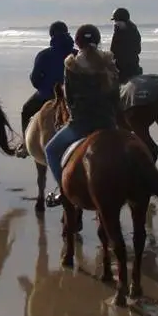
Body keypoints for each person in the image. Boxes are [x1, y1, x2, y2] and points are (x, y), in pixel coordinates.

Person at [44, 23, 121, 207]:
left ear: (77, 43)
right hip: (108, 123)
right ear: (98, 40)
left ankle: (63, 191)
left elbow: (69, 100)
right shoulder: (109, 62)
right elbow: (116, 96)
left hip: (81, 124)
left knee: (51, 150)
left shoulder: (72, 64)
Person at [20, 21, 76, 134]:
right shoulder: (76, 54)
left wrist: (43, 87)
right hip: (72, 97)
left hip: (46, 95)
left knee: (26, 111)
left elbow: (35, 80)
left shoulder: (44, 55)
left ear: (52, 35)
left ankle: (25, 145)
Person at [110, 7, 143, 84]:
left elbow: (113, 50)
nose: (115, 22)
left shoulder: (129, 32)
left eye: (116, 20)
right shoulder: (122, 30)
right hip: (126, 67)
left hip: (127, 69)